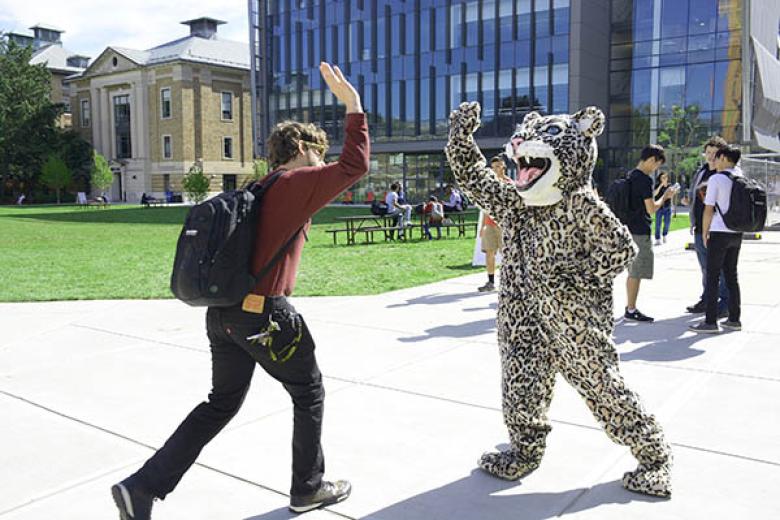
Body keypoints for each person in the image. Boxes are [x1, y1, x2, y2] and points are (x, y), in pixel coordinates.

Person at [111, 62, 368, 519]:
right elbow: (355, 165)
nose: (323, 163)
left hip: (223, 316)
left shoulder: (260, 188)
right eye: (319, 153)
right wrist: (353, 107)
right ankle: (308, 487)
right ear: (304, 149)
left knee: (221, 403)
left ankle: (143, 486)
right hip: (265, 316)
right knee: (309, 392)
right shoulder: (294, 182)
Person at [689, 145, 743, 334]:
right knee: (731, 275)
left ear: (725, 159)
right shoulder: (740, 176)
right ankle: (734, 319)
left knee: (712, 276)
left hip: (719, 232)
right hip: (736, 232)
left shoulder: (717, 178)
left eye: (718, 158)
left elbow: (708, 208)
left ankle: (710, 321)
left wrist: (704, 232)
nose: (715, 161)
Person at [624, 144, 678, 322]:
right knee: (636, 272)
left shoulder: (630, 175)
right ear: (652, 160)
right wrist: (666, 196)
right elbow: (651, 209)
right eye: (657, 165)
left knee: (632, 271)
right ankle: (631, 309)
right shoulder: (645, 180)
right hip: (640, 230)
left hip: (627, 228)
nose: (657, 169)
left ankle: (629, 306)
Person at [683, 136, 730, 316]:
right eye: (708, 152)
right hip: (699, 228)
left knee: (723, 269)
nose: (710, 156)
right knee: (705, 268)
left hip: (718, 229)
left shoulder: (724, 174)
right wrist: (689, 200)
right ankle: (707, 299)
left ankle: (724, 304)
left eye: (714, 153)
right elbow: (698, 197)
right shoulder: (701, 172)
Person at [478, 156, 508, 292]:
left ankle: (508, 282)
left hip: (504, 225)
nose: (496, 169)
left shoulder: (509, 184)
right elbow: (485, 207)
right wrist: (483, 226)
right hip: (490, 224)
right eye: (494, 167)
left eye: (499, 166)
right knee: (489, 253)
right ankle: (490, 282)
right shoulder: (488, 185)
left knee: (507, 254)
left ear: (503, 167)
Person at [653, 171, 672, 245]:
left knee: (667, 223)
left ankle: (664, 235)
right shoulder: (657, 185)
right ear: (660, 178)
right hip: (659, 207)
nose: (665, 179)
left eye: (666, 177)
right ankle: (658, 238)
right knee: (658, 223)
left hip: (667, 206)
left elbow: (671, 196)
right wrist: (661, 185)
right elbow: (654, 194)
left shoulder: (669, 185)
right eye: (663, 177)